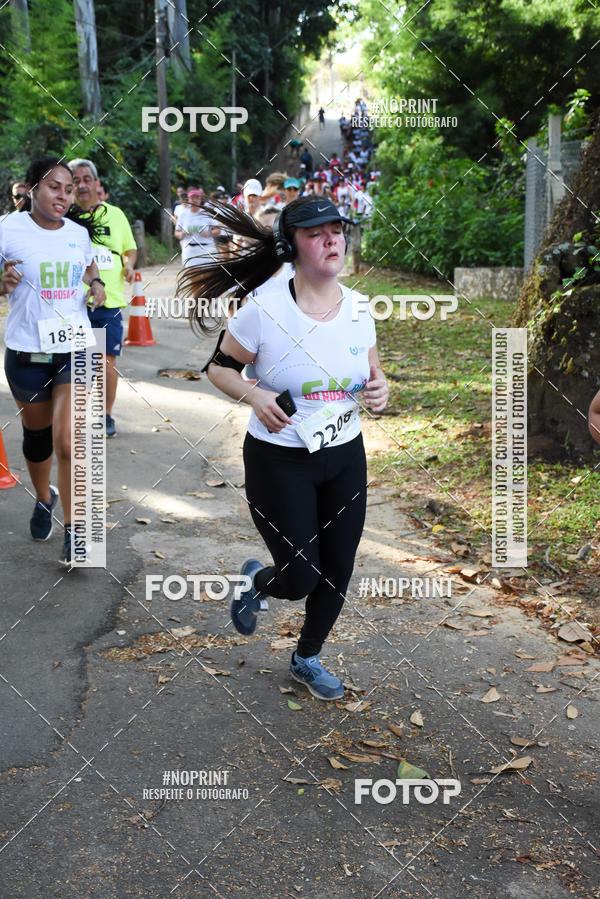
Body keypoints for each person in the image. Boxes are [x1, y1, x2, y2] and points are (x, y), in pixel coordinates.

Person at [177, 196, 388, 700]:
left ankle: (306, 658)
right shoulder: (263, 311)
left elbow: (374, 375)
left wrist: (382, 391)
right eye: (316, 232)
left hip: (344, 455)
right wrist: (255, 392)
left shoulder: (360, 308)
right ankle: (258, 583)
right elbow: (218, 368)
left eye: (336, 229)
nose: (332, 239)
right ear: (292, 245)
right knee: (299, 577)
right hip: (280, 458)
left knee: (338, 567)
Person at [0, 156, 106, 565]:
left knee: (69, 439)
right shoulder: (8, 229)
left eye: (68, 188)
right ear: (32, 190)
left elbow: (89, 263)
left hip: (75, 349)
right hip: (27, 352)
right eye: (54, 187)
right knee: (38, 439)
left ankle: (76, 530)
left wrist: (94, 283)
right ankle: (44, 498)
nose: (63, 194)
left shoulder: (78, 233)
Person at [69, 158, 137, 439]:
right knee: (79, 362)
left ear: (97, 183)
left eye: (87, 179)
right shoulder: (64, 217)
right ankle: (77, 415)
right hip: (73, 303)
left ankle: (106, 415)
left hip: (108, 302)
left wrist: (129, 265)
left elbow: (129, 249)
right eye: (76, 180)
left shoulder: (116, 214)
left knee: (107, 361)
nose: (82, 185)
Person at [174, 189, 220, 266]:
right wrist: (182, 234)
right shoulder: (183, 214)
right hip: (189, 249)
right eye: (192, 198)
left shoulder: (207, 213)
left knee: (208, 275)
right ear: (188, 199)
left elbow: (218, 230)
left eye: (197, 198)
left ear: (200, 199)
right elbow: (176, 232)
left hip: (207, 248)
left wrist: (209, 233)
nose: (194, 200)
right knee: (191, 275)